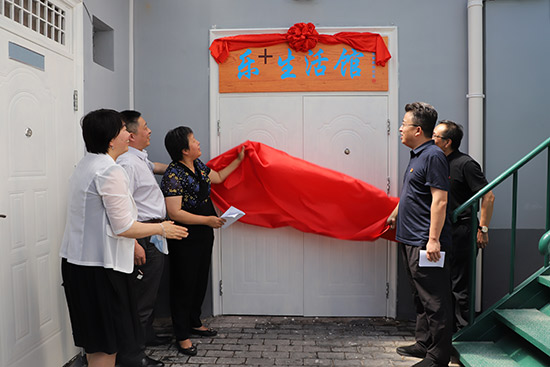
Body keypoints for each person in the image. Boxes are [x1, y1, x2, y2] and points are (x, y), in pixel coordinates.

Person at [59, 109, 188, 367]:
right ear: (110, 139)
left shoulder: (88, 164)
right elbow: (123, 226)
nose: (128, 135)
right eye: (122, 131)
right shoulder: (109, 171)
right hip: (100, 270)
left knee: (100, 344)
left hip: (81, 265)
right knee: (107, 346)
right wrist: (162, 229)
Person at [160, 126, 244, 356]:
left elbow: (217, 177)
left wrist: (239, 160)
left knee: (198, 280)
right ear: (185, 150)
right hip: (184, 236)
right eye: (194, 141)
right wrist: (207, 220)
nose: (198, 143)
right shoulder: (173, 175)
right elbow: (174, 212)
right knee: (183, 284)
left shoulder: (198, 165)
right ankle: (182, 335)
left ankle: (194, 322)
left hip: (204, 233)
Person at [386, 102, 453, 367]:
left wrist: (433, 239)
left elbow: (440, 200)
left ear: (417, 129)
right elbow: (413, 192)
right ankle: (424, 343)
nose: (400, 128)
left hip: (426, 242)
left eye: (404, 124)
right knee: (420, 295)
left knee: (434, 299)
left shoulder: (433, 155)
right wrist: (395, 213)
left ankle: (438, 356)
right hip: (409, 237)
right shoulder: (418, 155)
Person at [115, 110, 171, 367]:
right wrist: (135, 243)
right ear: (130, 133)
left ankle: (146, 336)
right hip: (143, 236)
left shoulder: (139, 159)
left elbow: (157, 167)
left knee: (151, 290)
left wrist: (189, 168)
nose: (150, 131)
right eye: (145, 127)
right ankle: (133, 355)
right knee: (141, 296)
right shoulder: (126, 164)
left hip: (154, 233)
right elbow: (122, 207)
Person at [432, 120, 495, 331]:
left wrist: (483, 229)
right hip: (442, 231)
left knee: (460, 287)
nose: (432, 140)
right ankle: (444, 336)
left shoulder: (465, 164)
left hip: (462, 231)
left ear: (447, 142)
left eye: (436, 137)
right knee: (442, 285)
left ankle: (462, 338)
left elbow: (488, 196)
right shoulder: (437, 162)